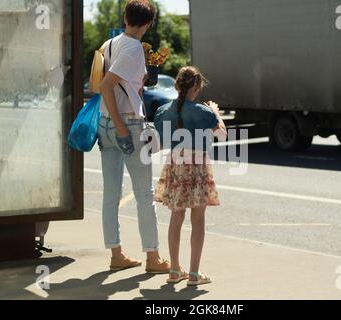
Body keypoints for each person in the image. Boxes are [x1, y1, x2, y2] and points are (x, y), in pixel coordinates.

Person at [98, 0, 169, 273]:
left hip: (105, 124)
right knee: (144, 194)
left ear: (126, 18)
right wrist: (124, 129)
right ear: (149, 23)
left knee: (110, 194)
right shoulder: (134, 47)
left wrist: (142, 81)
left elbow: (109, 85)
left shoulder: (111, 43)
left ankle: (116, 254)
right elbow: (105, 87)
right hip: (125, 124)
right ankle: (153, 258)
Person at [154, 66, 227, 286]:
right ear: (195, 87)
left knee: (176, 217)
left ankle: (175, 270)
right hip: (197, 164)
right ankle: (194, 274)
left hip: (176, 163)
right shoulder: (203, 112)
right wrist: (215, 112)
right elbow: (222, 136)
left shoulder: (163, 110)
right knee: (198, 219)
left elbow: (158, 143)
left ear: (177, 85)